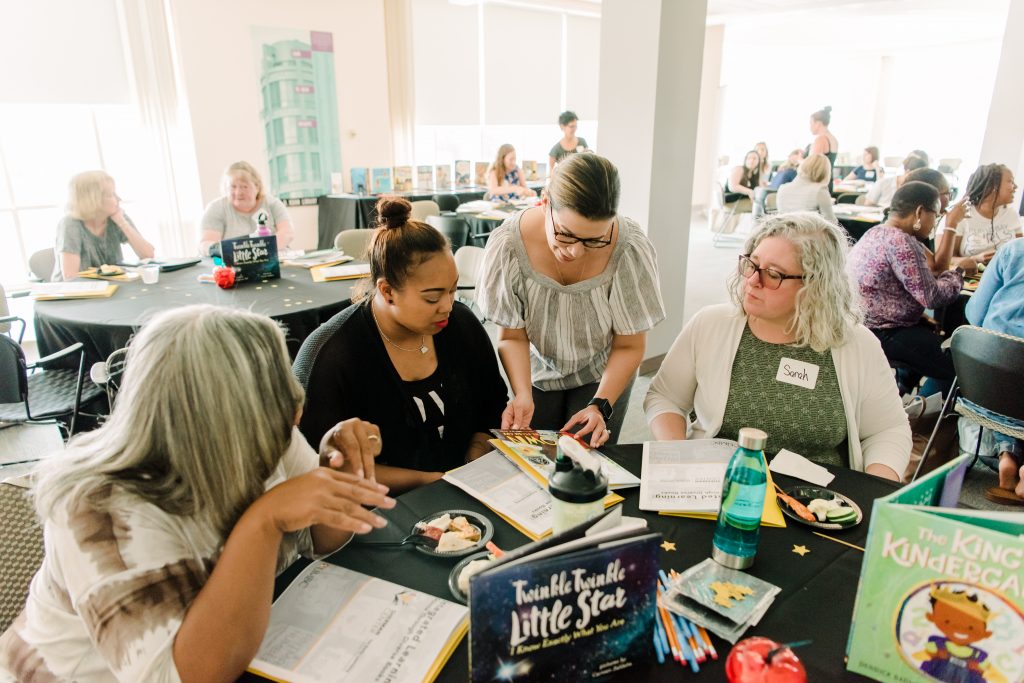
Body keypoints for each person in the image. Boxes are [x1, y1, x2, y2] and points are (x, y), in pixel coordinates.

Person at [0, 305, 395, 681]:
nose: (296, 408)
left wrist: (336, 466)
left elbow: (319, 539)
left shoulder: (262, 433)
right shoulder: (100, 510)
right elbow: (186, 676)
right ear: (212, 419)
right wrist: (263, 521)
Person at [645, 212, 910, 479]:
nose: (752, 280)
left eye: (773, 274)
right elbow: (665, 397)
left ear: (815, 286)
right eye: (752, 263)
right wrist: (678, 457)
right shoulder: (711, 324)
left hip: (815, 502)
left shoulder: (856, 345)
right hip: (718, 485)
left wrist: (874, 489)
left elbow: (887, 430)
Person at [296, 197, 508, 494]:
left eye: (453, 289)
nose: (447, 306)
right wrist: (435, 481)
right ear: (387, 291)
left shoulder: (461, 324)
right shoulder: (332, 355)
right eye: (432, 297)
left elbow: (493, 404)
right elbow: (323, 465)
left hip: (467, 488)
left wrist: (477, 449)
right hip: (378, 507)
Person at [479, 153, 665, 448]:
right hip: (538, 369)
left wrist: (600, 405)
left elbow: (630, 344)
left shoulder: (628, 248)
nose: (577, 252)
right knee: (538, 457)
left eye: (594, 240)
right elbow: (511, 336)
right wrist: (522, 393)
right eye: (566, 235)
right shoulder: (509, 246)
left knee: (590, 462)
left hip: (603, 370)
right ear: (544, 202)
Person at [847, 182, 977, 397]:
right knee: (961, 368)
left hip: (864, 324)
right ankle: (924, 413)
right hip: (883, 332)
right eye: (935, 215)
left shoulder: (877, 232)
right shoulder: (901, 241)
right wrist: (958, 273)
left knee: (930, 339)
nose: (935, 222)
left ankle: (902, 394)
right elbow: (932, 297)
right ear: (919, 212)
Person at [963, 237, 1024, 505]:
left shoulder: (1012, 250)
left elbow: (975, 315)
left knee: (1010, 369)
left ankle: (1007, 456)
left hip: (985, 386)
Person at [53, 171, 155, 281]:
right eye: (111, 195)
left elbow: (148, 254)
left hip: (108, 286)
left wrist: (122, 222)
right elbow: (70, 276)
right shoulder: (70, 224)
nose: (119, 199)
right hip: (75, 292)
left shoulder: (117, 216)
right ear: (92, 200)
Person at [934, 163, 1021, 270]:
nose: (1016, 187)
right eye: (1011, 182)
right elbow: (941, 260)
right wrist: (975, 259)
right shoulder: (960, 214)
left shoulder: (1011, 215)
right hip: (968, 281)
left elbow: (1021, 252)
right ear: (994, 186)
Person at [199, 161, 294, 255]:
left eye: (244, 187)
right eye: (233, 187)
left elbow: (287, 233)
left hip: (272, 260)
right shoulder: (216, 208)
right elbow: (206, 243)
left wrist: (260, 252)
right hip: (232, 265)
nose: (238, 192)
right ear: (225, 188)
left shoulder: (273, 204)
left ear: (257, 187)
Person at [776, 153, 837, 225]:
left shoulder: (782, 188)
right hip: (809, 234)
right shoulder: (819, 190)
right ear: (825, 172)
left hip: (785, 234)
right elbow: (831, 223)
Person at [807, 106, 838, 192]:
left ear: (818, 124)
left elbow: (812, 167)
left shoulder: (821, 139)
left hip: (818, 184)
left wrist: (798, 160)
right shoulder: (832, 138)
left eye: (811, 123)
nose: (810, 127)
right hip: (827, 183)